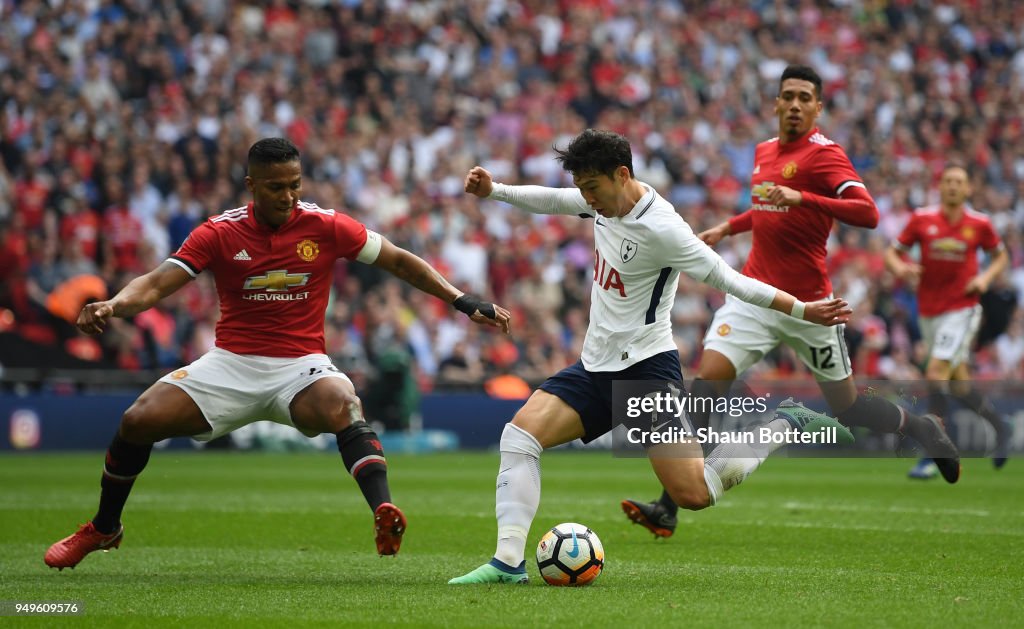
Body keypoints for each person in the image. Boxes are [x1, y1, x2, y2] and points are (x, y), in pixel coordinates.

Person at [44, 138, 512, 570]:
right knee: (136, 421)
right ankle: (104, 528)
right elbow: (157, 281)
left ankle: (383, 511)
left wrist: (462, 300)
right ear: (251, 185)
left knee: (345, 403)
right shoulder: (219, 232)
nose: (287, 196)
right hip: (231, 363)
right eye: (274, 188)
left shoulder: (326, 225)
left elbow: (398, 259)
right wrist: (114, 304)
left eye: (294, 185)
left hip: (301, 367)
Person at [448, 128, 855, 585]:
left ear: (622, 175)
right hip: (595, 364)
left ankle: (785, 422)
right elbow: (555, 199)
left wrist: (804, 310)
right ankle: (507, 563)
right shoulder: (600, 200)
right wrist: (495, 190)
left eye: (592, 188)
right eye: (582, 188)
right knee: (519, 436)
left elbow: (731, 280)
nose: (586, 199)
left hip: (644, 371)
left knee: (693, 494)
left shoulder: (663, 228)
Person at [621, 65, 961, 539]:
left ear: (818, 108)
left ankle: (920, 426)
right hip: (755, 298)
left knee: (845, 407)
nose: (796, 104)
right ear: (776, 103)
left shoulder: (826, 157)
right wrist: (730, 227)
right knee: (707, 385)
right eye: (788, 96)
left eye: (806, 97)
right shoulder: (763, 152)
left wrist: (804, 197)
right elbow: (766, 205)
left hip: (811, 306)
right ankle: (668, 507)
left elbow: (868, 213)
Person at [885, 165, 1011, 479]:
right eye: (949, 181)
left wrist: (984, 278)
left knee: (935, 371)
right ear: (940, 187)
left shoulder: (979, 223)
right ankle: (1001, 427)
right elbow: (892, 253)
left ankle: (935, 452)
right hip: (929, 310)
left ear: (968, 189)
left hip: (963, 307)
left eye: (960, 182)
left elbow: (1001, 256)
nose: (954, 186)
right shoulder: (922, 219)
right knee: (960, 385)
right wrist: (900, 269)